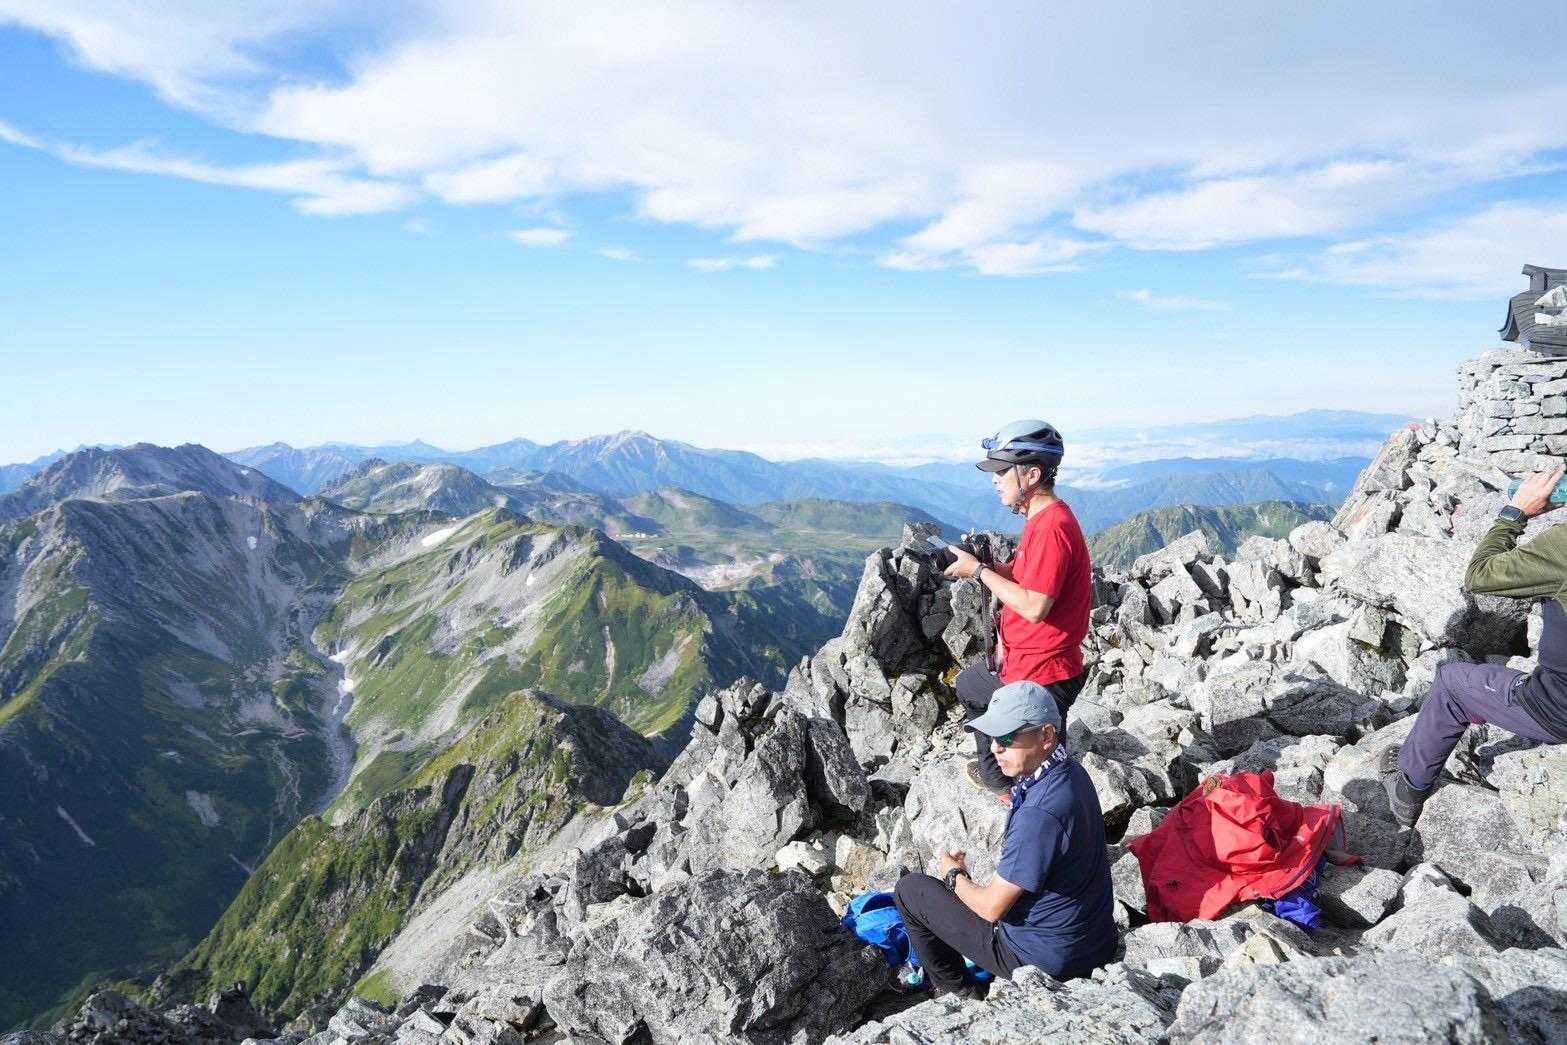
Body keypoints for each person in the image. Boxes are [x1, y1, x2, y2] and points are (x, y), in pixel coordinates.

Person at [892, 680, 1117, 996]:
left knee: (910, 891)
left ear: (1047, 735)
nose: (995, 747)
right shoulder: (1070, 772)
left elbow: (991, 909)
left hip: (1044, 959)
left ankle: (960, 994)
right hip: (1095, 941)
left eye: (1008, 737)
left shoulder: (1039, 813)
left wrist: (954, 876)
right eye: (992, 737)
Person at [1382, 464, 1567, 827]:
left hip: (1557, 710)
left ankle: (1407, 789)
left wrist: (1514, 513)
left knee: (1451, 680)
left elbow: (1480, 576)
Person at [942, 420, 1095, 796]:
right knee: (970, 686)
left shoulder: (1052, 527)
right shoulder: (1041, 519)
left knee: (1044, 778)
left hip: (1044, 673)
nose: (995, 480)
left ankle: (1022, 799)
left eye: (1001, 471)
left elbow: (1035, 605)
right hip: (1025, 662)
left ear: (1032, 474)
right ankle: (1001, 781)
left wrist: (978, 572)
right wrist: (990, 566)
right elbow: (1028, 579)